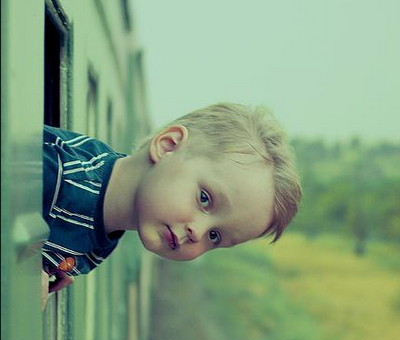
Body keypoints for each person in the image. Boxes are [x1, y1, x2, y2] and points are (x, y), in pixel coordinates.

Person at [42, 102, 302, 303]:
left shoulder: (104, 230)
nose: (196, 233)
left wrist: (49, 264)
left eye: (214, 236)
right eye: (204, 199)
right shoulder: (57, 172)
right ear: (168, 146)